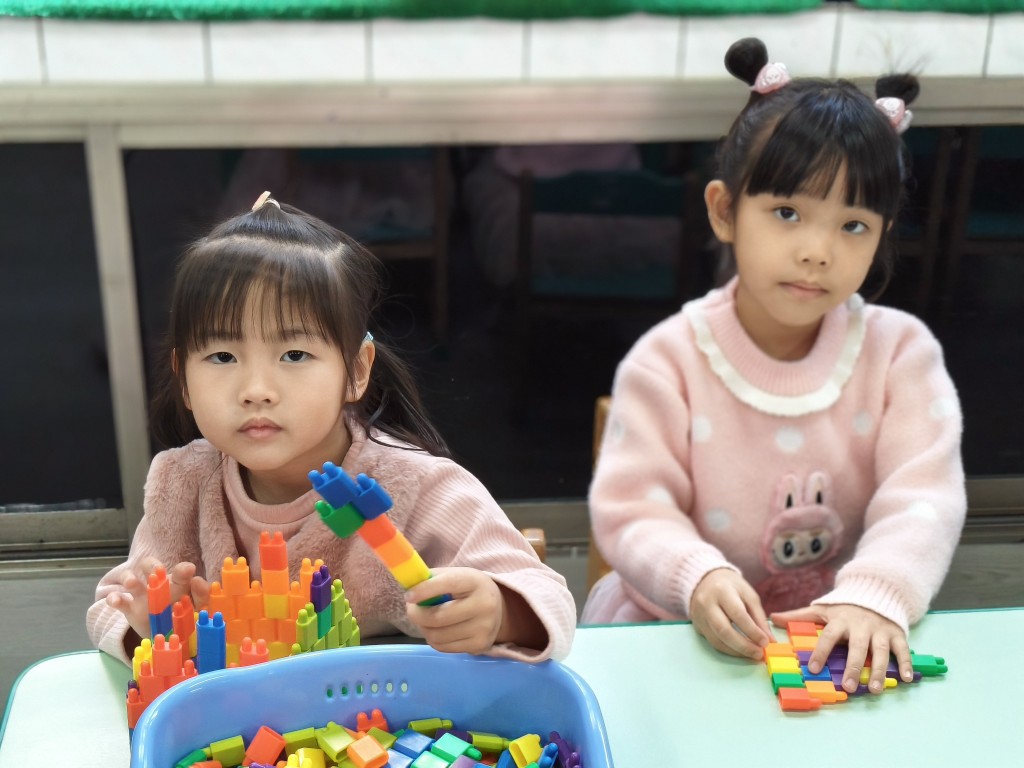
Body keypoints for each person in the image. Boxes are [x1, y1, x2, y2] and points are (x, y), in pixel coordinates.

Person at [581, 38, 966, 695]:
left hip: (837, 646)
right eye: (787, 213)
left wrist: (875, 594)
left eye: (853, 225)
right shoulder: (667, 361)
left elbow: (925, 498)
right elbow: (632, 508)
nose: (818, 251)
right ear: (725, 211)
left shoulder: (902, 353)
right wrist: (695, 575)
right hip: (679, 635)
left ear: (883, 232)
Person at [87, 191, 576, 666]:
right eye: (222, 356)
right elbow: (110, 606)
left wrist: (501, 613)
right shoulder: (184, 482)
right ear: (184, 380)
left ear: (357, 370)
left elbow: (547, 597)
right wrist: (150, 623)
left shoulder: (413, 486)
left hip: (375, 712)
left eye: (294, 354)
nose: (256, 390)